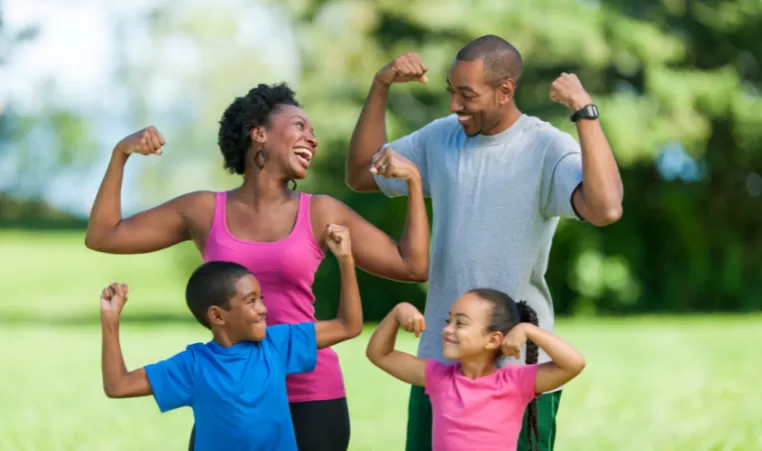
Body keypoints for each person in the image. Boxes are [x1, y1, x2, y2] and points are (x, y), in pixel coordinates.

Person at [86, 82, 430, 451]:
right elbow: (104, 235)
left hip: (310, 392)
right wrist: (121, 153)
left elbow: (412, 266)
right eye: (300, 126)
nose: (312, 139)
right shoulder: (203, 210)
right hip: (229, 391)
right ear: (259, 134)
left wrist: (413, 183)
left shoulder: (320, 212)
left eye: (313, 133)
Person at [345, 35, 623, 451]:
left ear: (505, 90)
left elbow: (605, 209)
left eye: (467, 94)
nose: (454, 105)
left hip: (517, 367)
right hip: (441, 364)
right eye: (451, 92)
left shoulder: (545, 146)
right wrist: (380, 85)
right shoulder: (440, 138)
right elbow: (361, 175)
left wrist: (585, 112)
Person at [100, 225, 362, 450]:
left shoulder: (276, 344)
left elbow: (348, 326)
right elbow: (118, 386)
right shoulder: (194, 366)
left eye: (261, 299)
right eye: (250, 301)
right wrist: (110, 322)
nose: (262, 309)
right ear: (217, 315)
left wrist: (345, 259)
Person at [366, 289, 585, 451]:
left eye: (460, 323)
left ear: (493, 340)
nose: (447, 329)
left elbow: (574, 364)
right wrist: (397, 312)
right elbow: (380, 354)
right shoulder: (438, 377)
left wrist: (529, 330)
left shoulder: (514, 383)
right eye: (448, 320)